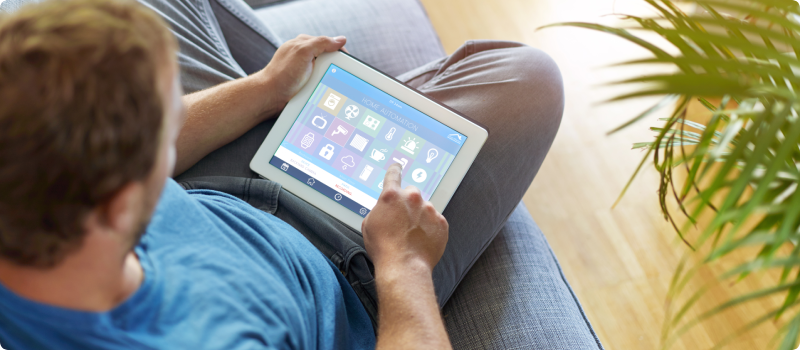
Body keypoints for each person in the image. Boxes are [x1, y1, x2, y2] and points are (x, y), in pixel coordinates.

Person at [0, 0, 564, 348]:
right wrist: (405, 266)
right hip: (348, 257)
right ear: (121, 203)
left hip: (207, 184)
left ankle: (305, 90)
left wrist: (263, 91)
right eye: (167, 121)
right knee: (529, 78)